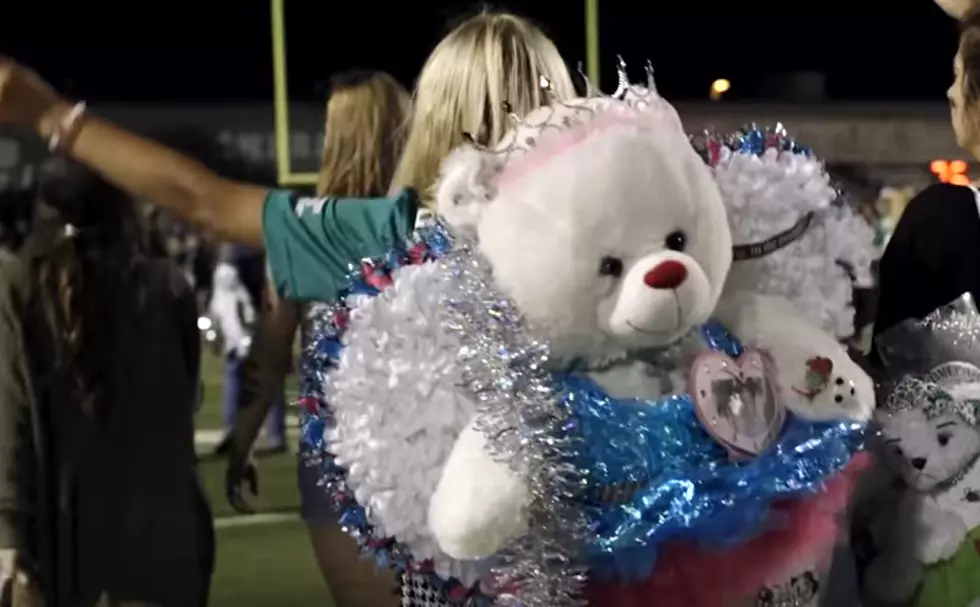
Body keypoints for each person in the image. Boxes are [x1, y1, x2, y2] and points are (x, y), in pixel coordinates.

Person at [226, 68, 412, 607]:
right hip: (426, 452)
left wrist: (243, 440)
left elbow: (271, 346)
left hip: (341, 459)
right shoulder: (424, 220)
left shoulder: (308, 231)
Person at [0, 154, 212, 606]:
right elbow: (185, 401)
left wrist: (8, 536)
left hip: (68, 542)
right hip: (163, 540)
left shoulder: (19, 286)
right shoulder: (166, 285)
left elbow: (11, 417)